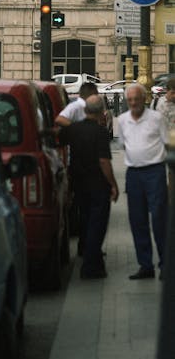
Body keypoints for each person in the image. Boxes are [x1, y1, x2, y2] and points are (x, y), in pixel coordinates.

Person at [58, 95, 119, 279]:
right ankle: (91, 266)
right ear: (102, 112)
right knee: (97, 224)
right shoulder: (100, 132)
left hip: (79, 183)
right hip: (97, 184)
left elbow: (57, 136)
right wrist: (113, 184)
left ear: (85, 111)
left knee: (85, 220)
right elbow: (104, 161)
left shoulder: (74, 129)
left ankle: (90, 257)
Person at [117, 82, 169, 280]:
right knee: (137, 220)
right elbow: (123, 144)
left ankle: (166, 264)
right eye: (129, 100)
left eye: (136, 99)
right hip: (134, 174)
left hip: (155, 172)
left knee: (159, 219)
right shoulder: (122, 120)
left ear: (144, 98)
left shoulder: (156, 119)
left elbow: (166, 142)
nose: (133, 103)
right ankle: (145, 265)